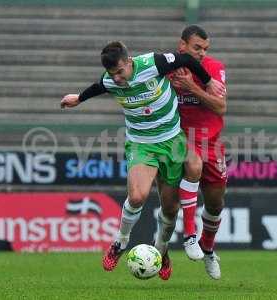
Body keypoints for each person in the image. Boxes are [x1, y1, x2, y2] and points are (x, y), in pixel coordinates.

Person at [60, 41, 225, 280]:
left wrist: (208, 81)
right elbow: (98, 87)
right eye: (112, 73)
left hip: (171, 139)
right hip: (141, 144)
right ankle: (120, 242)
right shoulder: (110, 80)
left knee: (170, 207)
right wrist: (78, 98)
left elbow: (187, 60)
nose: (116, 78)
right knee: (137, 196)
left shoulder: (153, 63)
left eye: (119, 72)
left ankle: (162, 249)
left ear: (129, 62)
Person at [169, 25, 228, 280]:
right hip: (180, 139)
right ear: (182, 45)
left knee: (216, 204)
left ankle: (207, 246)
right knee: (186, 175)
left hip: (212, 144)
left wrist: (192, 87)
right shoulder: (167, 66)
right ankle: (188, 236)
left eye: (205, 49)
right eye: (197, 48)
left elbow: (220, 107)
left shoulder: (214, 68)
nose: (202, 53)